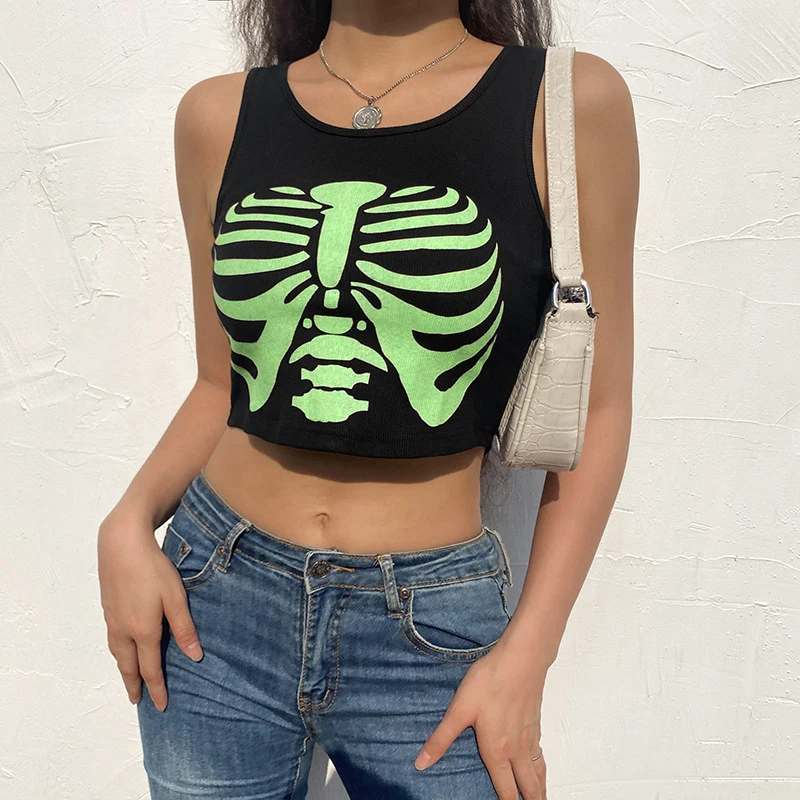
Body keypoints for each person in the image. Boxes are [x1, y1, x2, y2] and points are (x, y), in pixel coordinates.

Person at [97, 1, 638, 797]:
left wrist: (529, 653)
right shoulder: (217, 116)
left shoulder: (566, 104)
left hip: (432, 628)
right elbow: (224, 384)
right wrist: (127, 521)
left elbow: (598, 409)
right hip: (215, 605)